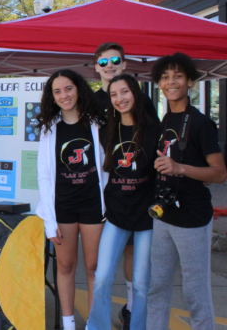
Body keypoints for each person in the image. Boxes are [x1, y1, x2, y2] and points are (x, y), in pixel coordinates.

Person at [146, 53, 227, 329]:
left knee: (195, 293)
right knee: (156, 287)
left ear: (190, 81)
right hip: (163, 217)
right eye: (166, 77)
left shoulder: (203, 123)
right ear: (159, 84)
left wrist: (180, 168)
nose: (171, 82)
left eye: (178, 75)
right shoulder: (165, 118)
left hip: (192, 219)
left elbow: (219, 173)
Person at [93, 42, 160, 327]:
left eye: (125, 92)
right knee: (102, 277)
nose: (120, 98)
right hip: (116, 212)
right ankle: (96, 325)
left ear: (135, 93)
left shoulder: (153, 127)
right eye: (114, 95)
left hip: (146, 215)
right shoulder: (106, 128)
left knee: (143, 283)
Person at [36, 69, 107, 330]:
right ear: (52, 97)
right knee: (65, 266)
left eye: (68, 88)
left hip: (92, 205)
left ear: (78, 89)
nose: (64, 95)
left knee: (94, 268)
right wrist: (49, 221)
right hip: (62, 207)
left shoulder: (97, 123)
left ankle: (93, 323)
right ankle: (68, 325)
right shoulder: (48, 129)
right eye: (57, 91)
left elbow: (106, 167)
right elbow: (43, 176)